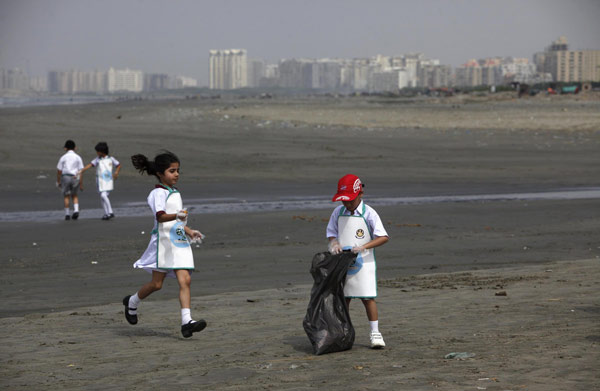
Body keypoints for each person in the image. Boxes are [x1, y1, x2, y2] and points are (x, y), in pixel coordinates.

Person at [123, 151, 206, 338]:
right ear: (160, 173)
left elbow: (178, 221)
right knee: (157, 284)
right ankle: (132, 302)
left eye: (177, 171)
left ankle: (187, 322)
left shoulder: (176, 193)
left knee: (185, 280)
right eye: (171, 171)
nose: (176, 174)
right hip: (163, 242)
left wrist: (189, 230)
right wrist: (178, 216)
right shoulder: (157, 193)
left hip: (178, 239)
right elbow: (160, 216)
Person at [326, 174, 389, 348]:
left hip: (364, 262)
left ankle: (375, 333)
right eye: (343, 201)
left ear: (360, 194)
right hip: (343, 262)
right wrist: (334, 243)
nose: (346, 204)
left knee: (367, 297)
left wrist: (364, 247)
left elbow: (383, 237)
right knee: (343, 298)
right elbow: (331, 232)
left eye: (350, 201)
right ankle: (343, 331)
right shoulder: (337, 212)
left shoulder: (369, 213)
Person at [79, 142, 121, 220]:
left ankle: (110, 212)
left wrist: (116, 172)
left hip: (108, 181)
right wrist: (82, 170)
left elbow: (118, 165)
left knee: (103, 195)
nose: (97, 153)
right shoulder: (98, 159)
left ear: (102, 151)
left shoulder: (111, 159)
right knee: (102, 197)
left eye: (97, 151)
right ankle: (106, 213)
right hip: (100, 181)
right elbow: (91, 164)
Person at [56, 140, 84, 220]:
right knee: (74, 195)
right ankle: (76, 210)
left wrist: (58, 181)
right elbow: (80, 170)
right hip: (75, 177)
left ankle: (67, 214)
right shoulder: (78, 157)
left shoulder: (63, 157)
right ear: (75, 148)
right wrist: (81, 183)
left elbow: (59, 170)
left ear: (65, 148)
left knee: (66, 196)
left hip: (66, 177)